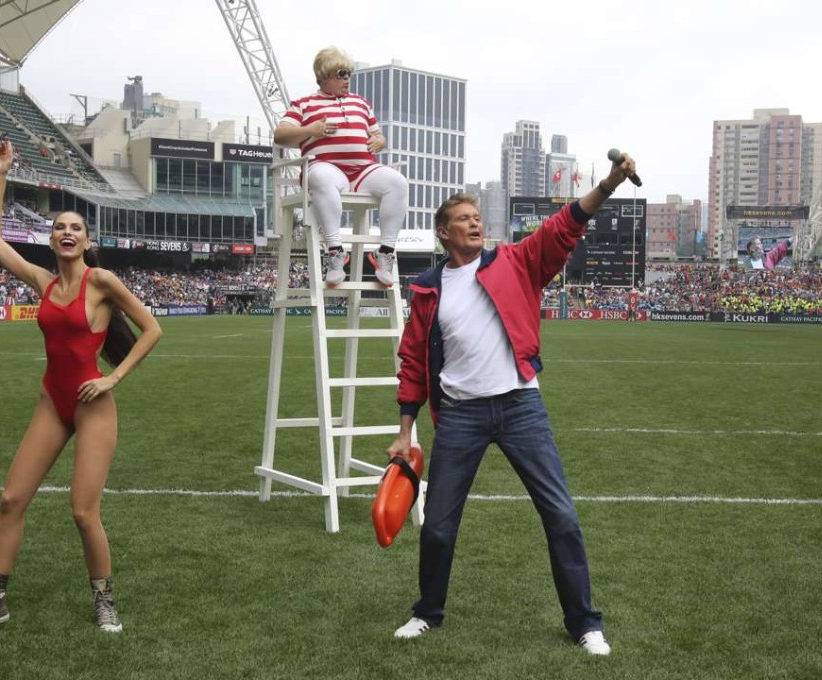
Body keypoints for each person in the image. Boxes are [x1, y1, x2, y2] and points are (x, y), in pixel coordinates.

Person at [385, 152, 639, 656]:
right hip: (460, 414)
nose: (474, 223)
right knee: (437, 525)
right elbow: (412, 361)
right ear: (443, 233)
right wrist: (405, 429)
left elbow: (563, 228)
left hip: (521, 405)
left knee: (561, 516)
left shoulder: (516, 262)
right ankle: (426, 611)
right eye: (462, 219)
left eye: (477, 217)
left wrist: (608, 183)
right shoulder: (429, 290)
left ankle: (585, 623)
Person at [0, 141, 163, 633]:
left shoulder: (100, 281)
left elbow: (152, 328)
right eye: (59, 226)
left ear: (86, 238)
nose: (66, 232)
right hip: (52, 402)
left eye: (75, 227)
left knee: (82, 511)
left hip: (91, 405)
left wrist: (112, 378)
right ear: (52, 237)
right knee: (11, 500)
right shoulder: (42, 282)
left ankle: (104, 599)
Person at [273, 45, 408, 288]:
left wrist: (380, 140)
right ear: (324, 76)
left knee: (398, 182)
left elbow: (378, 136)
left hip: (363, 171)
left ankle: (385, 253)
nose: (347, 79)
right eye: (341, 74)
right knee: (322, 177)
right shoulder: (304, 104)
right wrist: (309, 131)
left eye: (349, 73)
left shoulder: (361, 103)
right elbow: (280, 135)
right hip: (326, 167)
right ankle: (335, 251)